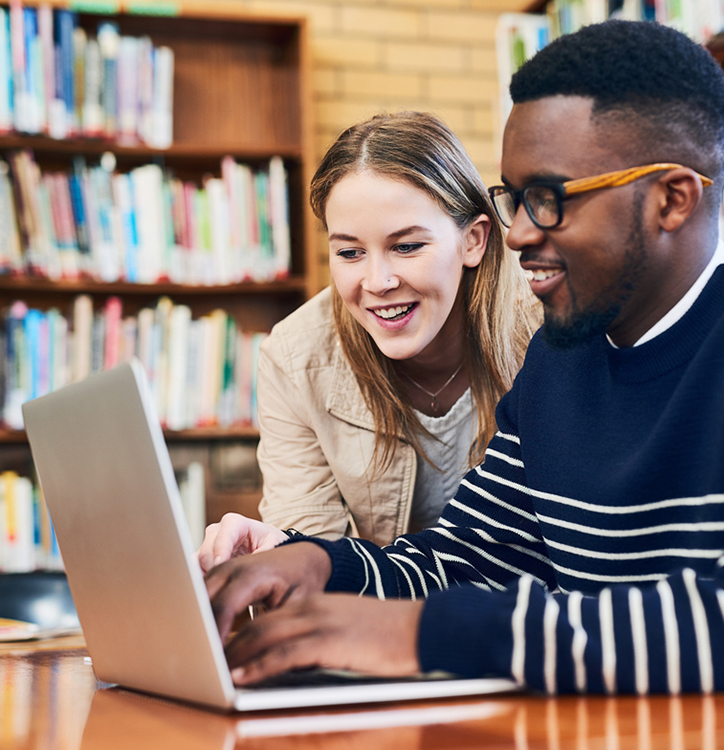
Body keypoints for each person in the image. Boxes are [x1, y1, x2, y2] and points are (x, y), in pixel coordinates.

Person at [204, 20, 724, 731]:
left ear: (672, 198)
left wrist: (425, 634)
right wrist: (313, 564)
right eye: (513, 197)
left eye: (549, 199)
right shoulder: (563, 360)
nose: (520, 233)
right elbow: (463, 563)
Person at [197, 112, 539, 571]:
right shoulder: (297, 357)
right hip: (383, 621)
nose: (376, 282)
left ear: (473, 241)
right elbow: (312, 567)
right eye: (350, 253)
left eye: (407, 246)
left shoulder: (546, 327)